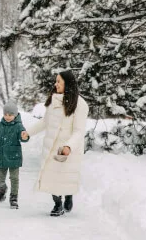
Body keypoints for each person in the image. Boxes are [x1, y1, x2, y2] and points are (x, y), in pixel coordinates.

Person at [23, 71, 89, 216]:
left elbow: (78, 131)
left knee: (65, 177)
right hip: (52, 147)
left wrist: (68, 146)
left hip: (69, 148)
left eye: (59, 81)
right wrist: (28, 132)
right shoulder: (54, 101)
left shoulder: (80, 104)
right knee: (51, 176)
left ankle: (68, 195)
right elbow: (45, 122)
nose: (55, 84)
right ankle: (57, 204)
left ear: (68, 84)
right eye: (56, 81)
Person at [0, 100, 29, 209]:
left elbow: (24, 137)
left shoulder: (19, 126)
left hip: (14, 156)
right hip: (1, 156)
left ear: (15, 115)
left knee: (14, 178)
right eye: (5, 114)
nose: (7, 117)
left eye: (10, 115)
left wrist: (25, 137)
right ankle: (3, 188)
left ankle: (14, 198)